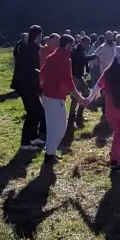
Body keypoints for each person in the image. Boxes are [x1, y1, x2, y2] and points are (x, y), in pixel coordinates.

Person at [40, 33, 87, 162]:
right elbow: (69, 82)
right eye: (72, 46)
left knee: (51, 126)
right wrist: (80, 98)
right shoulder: (65, 59)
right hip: (55, 97)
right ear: (67, 45)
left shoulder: (51, 56)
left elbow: (42, 74)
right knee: (60, 127)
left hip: (46, 95)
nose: (72, 48)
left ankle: (50, 151)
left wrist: (43, 87)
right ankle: (49, 154)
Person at [15, 25, 46, 150]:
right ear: (39, 36)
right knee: (32, 113)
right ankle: (25, 143)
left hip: (28, 85)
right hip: (26, 85)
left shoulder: (29, 47)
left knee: (38, 111)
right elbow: (30, 69)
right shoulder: (30, 49)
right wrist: (41, 74)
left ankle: (32, 138)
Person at [69, 35, 95, 128]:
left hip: (79, 76)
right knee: (75, 97)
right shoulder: (77, 50)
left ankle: (79, 114)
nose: (89, 45)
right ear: (84, 42)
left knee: (86, 93)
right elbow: (83, 59)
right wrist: (94, 56)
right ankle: (72, 117)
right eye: (88, 43)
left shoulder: (81, 50)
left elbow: (84, 59)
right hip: (76, 76)